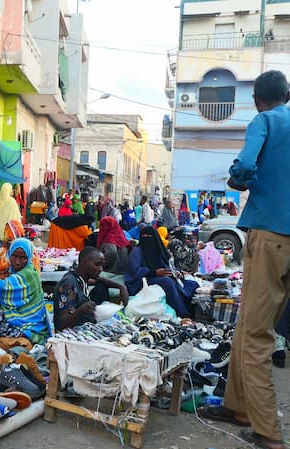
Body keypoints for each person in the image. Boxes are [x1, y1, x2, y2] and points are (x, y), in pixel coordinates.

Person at [199, 70, 290, 449]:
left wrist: (241, 179)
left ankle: (268, 431)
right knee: (250, 321)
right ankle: (238, 406)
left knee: (255, 334)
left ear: (256, 98)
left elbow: (245, 167)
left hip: (270, 234)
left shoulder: (265, 121)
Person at [0, 239, 49, 345]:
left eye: (23, 258)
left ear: (29, 258)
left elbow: (4, 287)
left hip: (28, 327)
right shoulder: (13, 271)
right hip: (18, 321)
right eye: (14, 256)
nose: (17, 262)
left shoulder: (29, 274)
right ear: (9, 255)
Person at [124, 226, 198, 318]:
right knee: (167, 282)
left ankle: (190, 309)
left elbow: (166, 264)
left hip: (163, 276)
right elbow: (133, 272)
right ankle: (182, 313)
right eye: (144, 236)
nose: (147, 238)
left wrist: (176, 272)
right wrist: (153, 272)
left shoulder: (157, 250)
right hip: (144, 279)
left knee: (192, 284)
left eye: (149, 236)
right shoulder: (137, 252)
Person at [53, 247, 129, 331]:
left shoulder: (81, 278)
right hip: (71, 334)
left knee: (101, 287)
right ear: (84, 262)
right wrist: (81, 310)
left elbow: (99, 280)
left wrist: (121, 287)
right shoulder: (68, 284)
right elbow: (61, 324)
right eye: (97, 264)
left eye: (102, 265)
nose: (101, 269)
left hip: (85, 326)